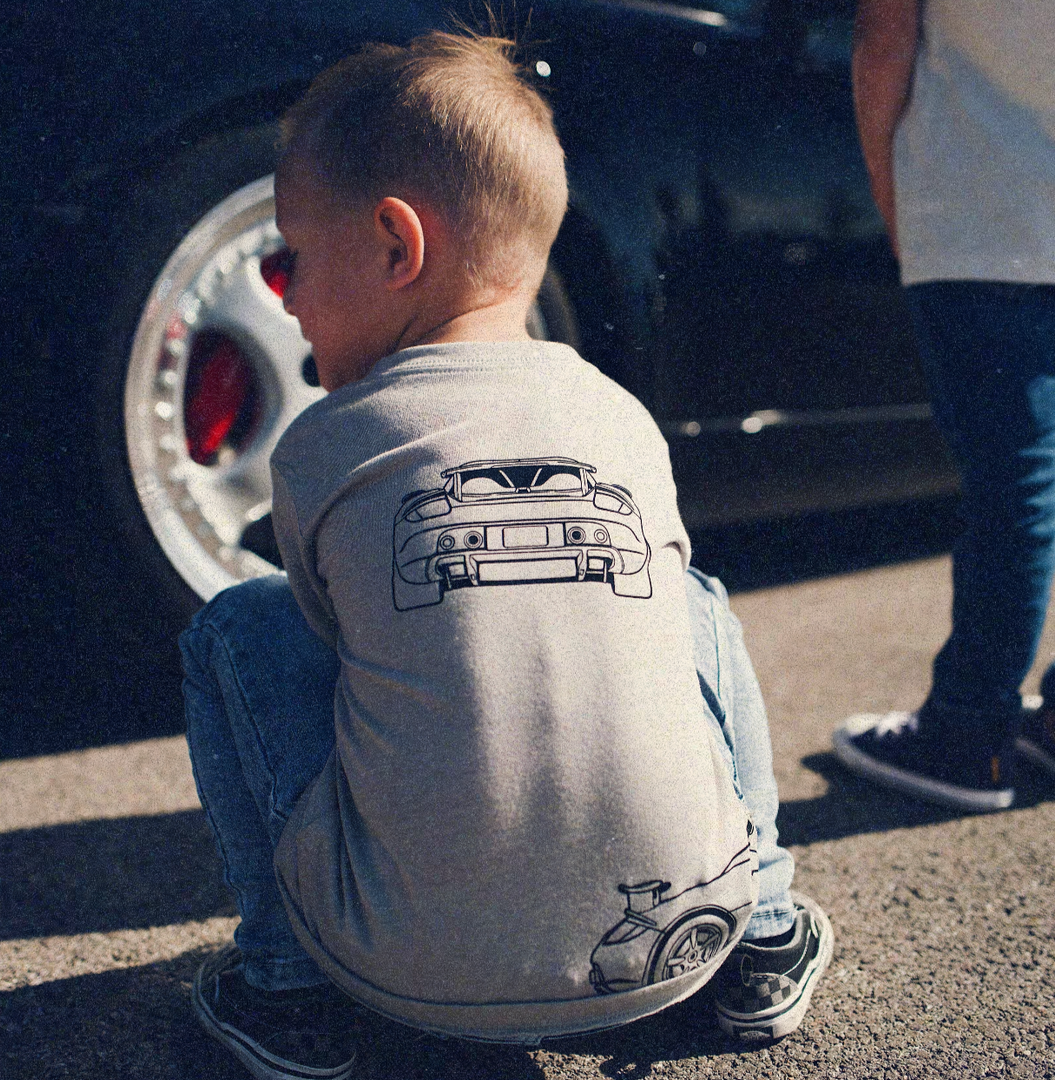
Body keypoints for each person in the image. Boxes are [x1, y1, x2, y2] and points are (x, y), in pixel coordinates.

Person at [180, 32, 832, 1080]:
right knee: (693, 599)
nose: (288, 296)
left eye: (293, 257)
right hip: (675, 953)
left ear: (397, 247)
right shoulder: (621, 420)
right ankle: (757, 924)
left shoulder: (323, 446)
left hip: (397, 974)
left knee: (239, 625)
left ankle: (285, 986)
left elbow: (333, 646)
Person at [835, 0, 1055, 811]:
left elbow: (883, 35)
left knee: (1015, 488)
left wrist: (897, 200)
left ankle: (966, 736)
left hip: (982, 206)